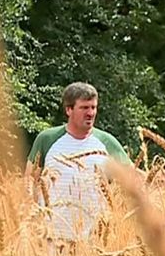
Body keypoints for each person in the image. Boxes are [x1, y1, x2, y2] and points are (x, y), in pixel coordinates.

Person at [25, 82, 131, 243]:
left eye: (93, 107)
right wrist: (32, 222)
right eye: (84, 108)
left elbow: (134, 179)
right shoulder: (47, 139)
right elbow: (29, 182)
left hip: (95, 240)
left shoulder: (107, 142)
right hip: (51, 236)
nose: (90, 113)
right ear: (69, 109)